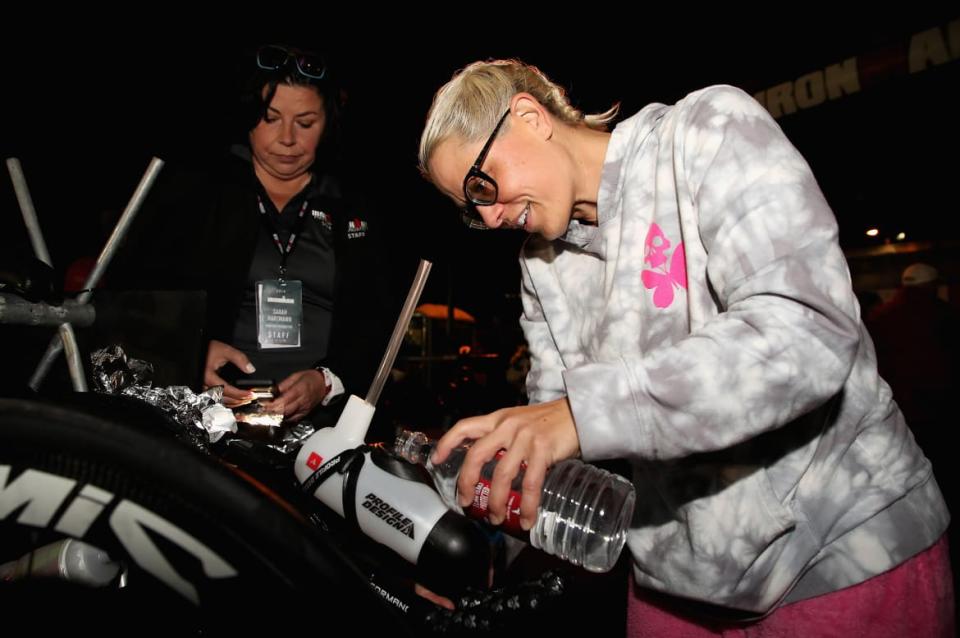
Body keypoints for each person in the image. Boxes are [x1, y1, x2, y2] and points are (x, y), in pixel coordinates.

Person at [417, 60, 954, 635]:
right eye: (471, 209)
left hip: (837, 551)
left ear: (529, 117)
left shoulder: (706, 133)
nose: (490, 216)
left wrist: (581, 413)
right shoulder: (540, 265)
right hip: (676, 582)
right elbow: (556, 447)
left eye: (481, 185)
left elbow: (806, 332)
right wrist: (475, 554)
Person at [117, 44, 391, 425]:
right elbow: (136, 301)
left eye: (306, 122)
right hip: (208, 420)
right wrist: (192, 353)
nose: (287, 138)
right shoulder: (196, 195)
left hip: (321, 427)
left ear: (328, 123)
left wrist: (328, 381)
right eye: (270, 118)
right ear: (249, 116)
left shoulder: (352, 208)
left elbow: (375, 321)